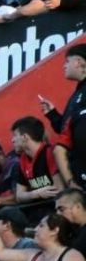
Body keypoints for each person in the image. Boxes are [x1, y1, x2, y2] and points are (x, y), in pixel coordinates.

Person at [42, 44, 86, 189]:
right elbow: (66, 131)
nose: (63, 66)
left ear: (79, 62)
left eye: (67, 61)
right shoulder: (76, 95)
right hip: (79, 176)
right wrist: (53, 114)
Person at [12, 116, 64, 222]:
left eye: (15, 136)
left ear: (25, 137)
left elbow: (59, 189)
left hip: (56, 214)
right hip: (37, 215)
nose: (12, 140)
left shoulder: (50, 153)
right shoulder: (22, 161)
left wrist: (30, 195)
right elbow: (19, 196)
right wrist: (37, 193)